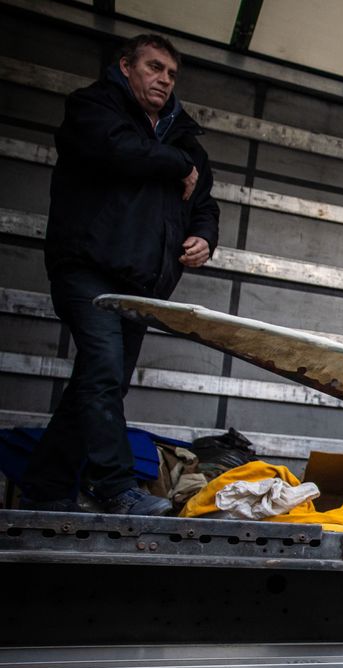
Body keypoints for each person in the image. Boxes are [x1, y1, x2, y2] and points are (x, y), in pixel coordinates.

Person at [21, 34, 219, 516]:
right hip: (87, 269)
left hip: (142, 285)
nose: (164, 80)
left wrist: (204, 238)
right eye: (154, 68)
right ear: (126, 66)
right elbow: (118, 150)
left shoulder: (183, 136)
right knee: (104, 373)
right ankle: (112, 485)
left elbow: (205, 202)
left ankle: (46, 484)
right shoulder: (93, 108)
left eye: (171, 74)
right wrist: (178, 163)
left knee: (100, 379)